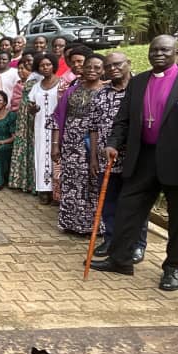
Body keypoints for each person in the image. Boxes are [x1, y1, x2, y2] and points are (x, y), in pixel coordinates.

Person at [91, 35, 178, 292]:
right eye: (154, 50)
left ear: (177, 52)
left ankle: (174, 268)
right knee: (128, 209)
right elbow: (123, 120)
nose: (158, 53)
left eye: (165, 50)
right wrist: (113, 143)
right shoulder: (138, 82)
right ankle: (120, 259)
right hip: (143, 157)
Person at [87, 51, 147, 262]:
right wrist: (93, 157)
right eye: (108, 66)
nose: (113, 69)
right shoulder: (101, 94)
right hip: (107, 159)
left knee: (136, 204)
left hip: (135, 159)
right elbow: (93, 127)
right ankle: (111, 239)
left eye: (117, 64)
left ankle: (137, 244)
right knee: (109, 203)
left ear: (128, 63)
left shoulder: (142, 89)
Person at [51, 53, 105, 233]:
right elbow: (57, 117)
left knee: (93, 184)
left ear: (103, 70)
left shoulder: (106, 92)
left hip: (95, 146)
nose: (91, 70)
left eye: (97, 67)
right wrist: (55, 145)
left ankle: (92, 226)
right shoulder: (72, 90)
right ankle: (71, 223)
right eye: (88, 66)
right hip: (71, 146)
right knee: (72, 183)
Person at [28, 53, 61, 205]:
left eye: (48, 64)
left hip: (58, 127)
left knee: (56, 156)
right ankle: (43, 190)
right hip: (40, 126)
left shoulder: (62, 84)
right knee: (41, 156)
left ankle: (56, 192)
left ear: (53, 66)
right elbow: (30, 107)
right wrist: (32, 109)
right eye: (42, 65)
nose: (45, 67)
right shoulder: (36, 86)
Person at [8, 58, 38, 193]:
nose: (21, 71)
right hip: (21, 118)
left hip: (32, 117)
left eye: (24, 68)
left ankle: (33, 184)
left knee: (32, 147)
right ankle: (21, 181)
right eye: (19, 68)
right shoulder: (19, 85)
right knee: (22, 147)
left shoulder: (38, 81)